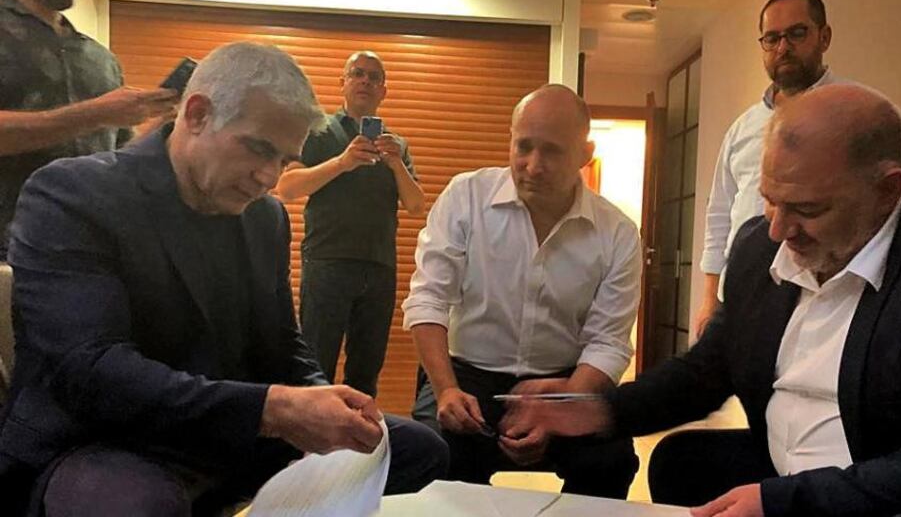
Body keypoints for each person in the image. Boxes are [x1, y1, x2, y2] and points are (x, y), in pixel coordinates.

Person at [516, 83, 901, 516]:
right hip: (786, 475)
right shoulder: (761, 244)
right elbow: (709, 369)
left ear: (889, 189)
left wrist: (785, 502)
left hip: (892, 494)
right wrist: (599, 410)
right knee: (682, 461)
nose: (779, 230)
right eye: (769, 200)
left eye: (807, 209)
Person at [0, 42, 447, 516]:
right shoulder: (74, 193)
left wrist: (321, 396)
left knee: (419, 450)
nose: (268, 177)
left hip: (225, 429)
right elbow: (91, 372)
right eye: (259, 149)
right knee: (134, 505)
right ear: (196, 114)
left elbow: (281, 343)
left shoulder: (265, 217)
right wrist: (273, 409)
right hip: (101, 438)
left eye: (284, 161)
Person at [404, 84, 641, 498]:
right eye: (524, 147)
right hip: (466, 375)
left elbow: (608, 341)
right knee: (432, 454)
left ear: (585, 154)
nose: (533, 165)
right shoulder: (465, 197)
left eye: (551, 151)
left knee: (611, 460)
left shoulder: (617, 233)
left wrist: (565, 403)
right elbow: (428, 299)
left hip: (565, 381)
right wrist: (445, 389)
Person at [0, 0, 178, 259]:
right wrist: (96, 114)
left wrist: (164, 127)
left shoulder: (100, 59)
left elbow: (116, 160)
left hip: (85, 254)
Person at [276, 51, 424, 395]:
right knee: (316, 365)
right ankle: (312, 428)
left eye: (374, 77)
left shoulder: (396, 145)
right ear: (342, 82)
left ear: (384, 90)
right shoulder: (318, 131)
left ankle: (358, 429)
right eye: (357, 73)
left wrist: (395, 164)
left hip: (379, 267)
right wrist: (343, 162)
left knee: (366, 370)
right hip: (327, 261)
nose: (365, 81)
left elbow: (417, 206)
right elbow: (287, 187)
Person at [695, 0, 840, 337]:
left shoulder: (855, 115)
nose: (783, 47)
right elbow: (720, 214)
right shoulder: (743, 128)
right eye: (772, 38)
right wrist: (710, 298)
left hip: (823, 296)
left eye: (797, 33)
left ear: (824, 37)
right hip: (743, 293)